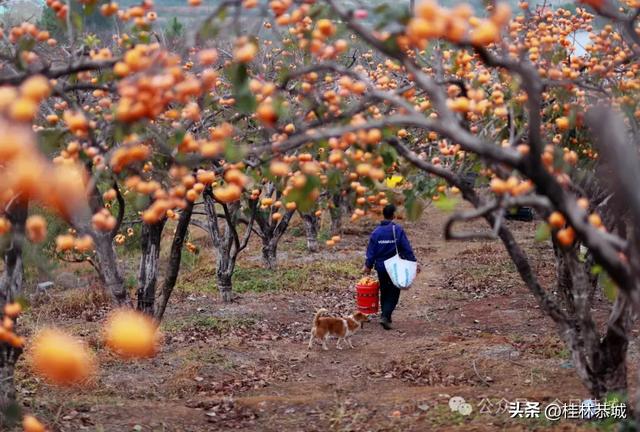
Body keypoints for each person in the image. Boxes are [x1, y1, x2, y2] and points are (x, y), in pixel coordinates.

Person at [363, 204, 417, 330]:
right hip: (395, 267)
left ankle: (386, 314)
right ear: (393, 215)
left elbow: (371, 251)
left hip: (381, 267)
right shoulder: (397, 230)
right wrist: (413, 262)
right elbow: (406, 248)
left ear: (383, 215)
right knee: (394, 292)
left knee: (384, 290)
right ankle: (386, 316)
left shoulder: (376, 232)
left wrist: (368, 266)